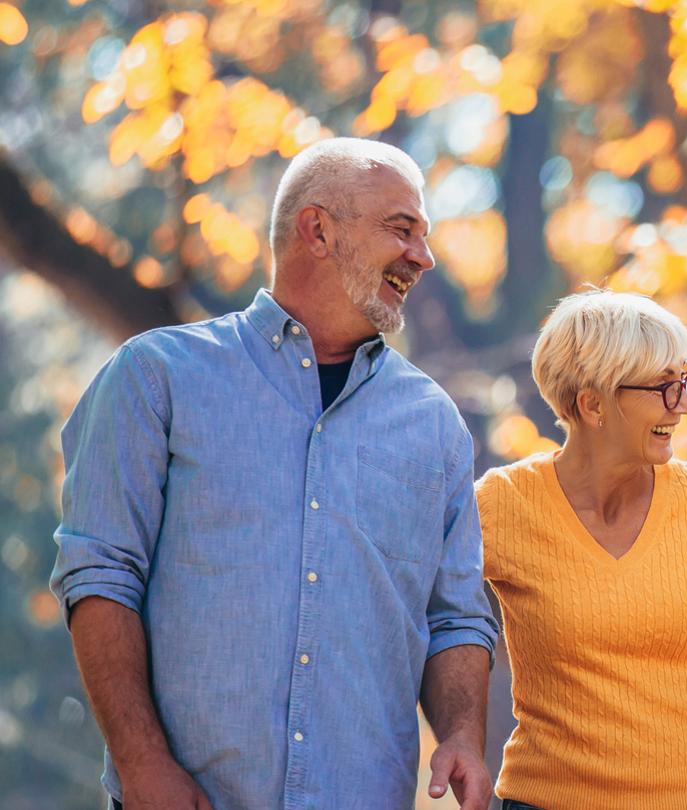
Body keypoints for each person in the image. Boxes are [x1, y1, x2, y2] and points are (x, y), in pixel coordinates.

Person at [49, 137, 498, 809]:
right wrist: (143, 766)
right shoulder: (156, 377)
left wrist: (462, 734)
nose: (423, 257)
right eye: (401, 230)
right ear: (317, 230)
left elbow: (455, 617)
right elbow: (100, 576)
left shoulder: (433, 424)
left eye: (424, 236)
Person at [476, 290, 687, 808]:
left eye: (685, 378)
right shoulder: (503, 502)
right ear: (592, 405)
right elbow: (428, 618)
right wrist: (458, 739)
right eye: (663, 387)